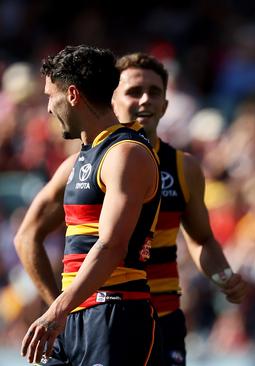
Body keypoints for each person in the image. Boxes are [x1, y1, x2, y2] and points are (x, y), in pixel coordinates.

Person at [15, 52, 248, 366]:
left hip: (130, 310)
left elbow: (192, 239)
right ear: (115, 96)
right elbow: (26, 235)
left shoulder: (158, 162)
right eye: (134, 91)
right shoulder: (83, 159)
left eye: (154, 92)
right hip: (82, 311)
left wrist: (222, 276)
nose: (145, 101)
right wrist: (60, 306)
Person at [19, 45, 161, 365]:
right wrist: (60, 306)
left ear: (71, 94)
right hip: (74, 317)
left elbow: (111, 245)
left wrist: (57, 310)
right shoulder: (76, 162)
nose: (47, 109)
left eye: (49, 97)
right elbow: (26, 236)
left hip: (116, 314)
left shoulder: (126, 154)